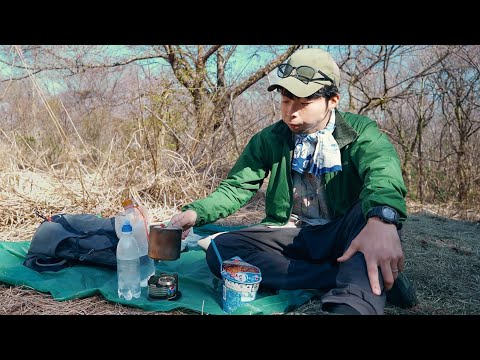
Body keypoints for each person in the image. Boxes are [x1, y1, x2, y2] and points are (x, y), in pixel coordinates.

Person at [169, 47, 416, 315]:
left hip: (342, 232)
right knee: (221, 249)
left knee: (367, 216)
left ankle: (352, 303)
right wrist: (195, 212)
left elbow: (383, 173)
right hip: (293, 234)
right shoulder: (270, 139)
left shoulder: (360, 131)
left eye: (304, 102)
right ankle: (338, 275)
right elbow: (237, 187)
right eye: (286, 100)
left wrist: (382, 218)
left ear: (332, 100)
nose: (291, 112)